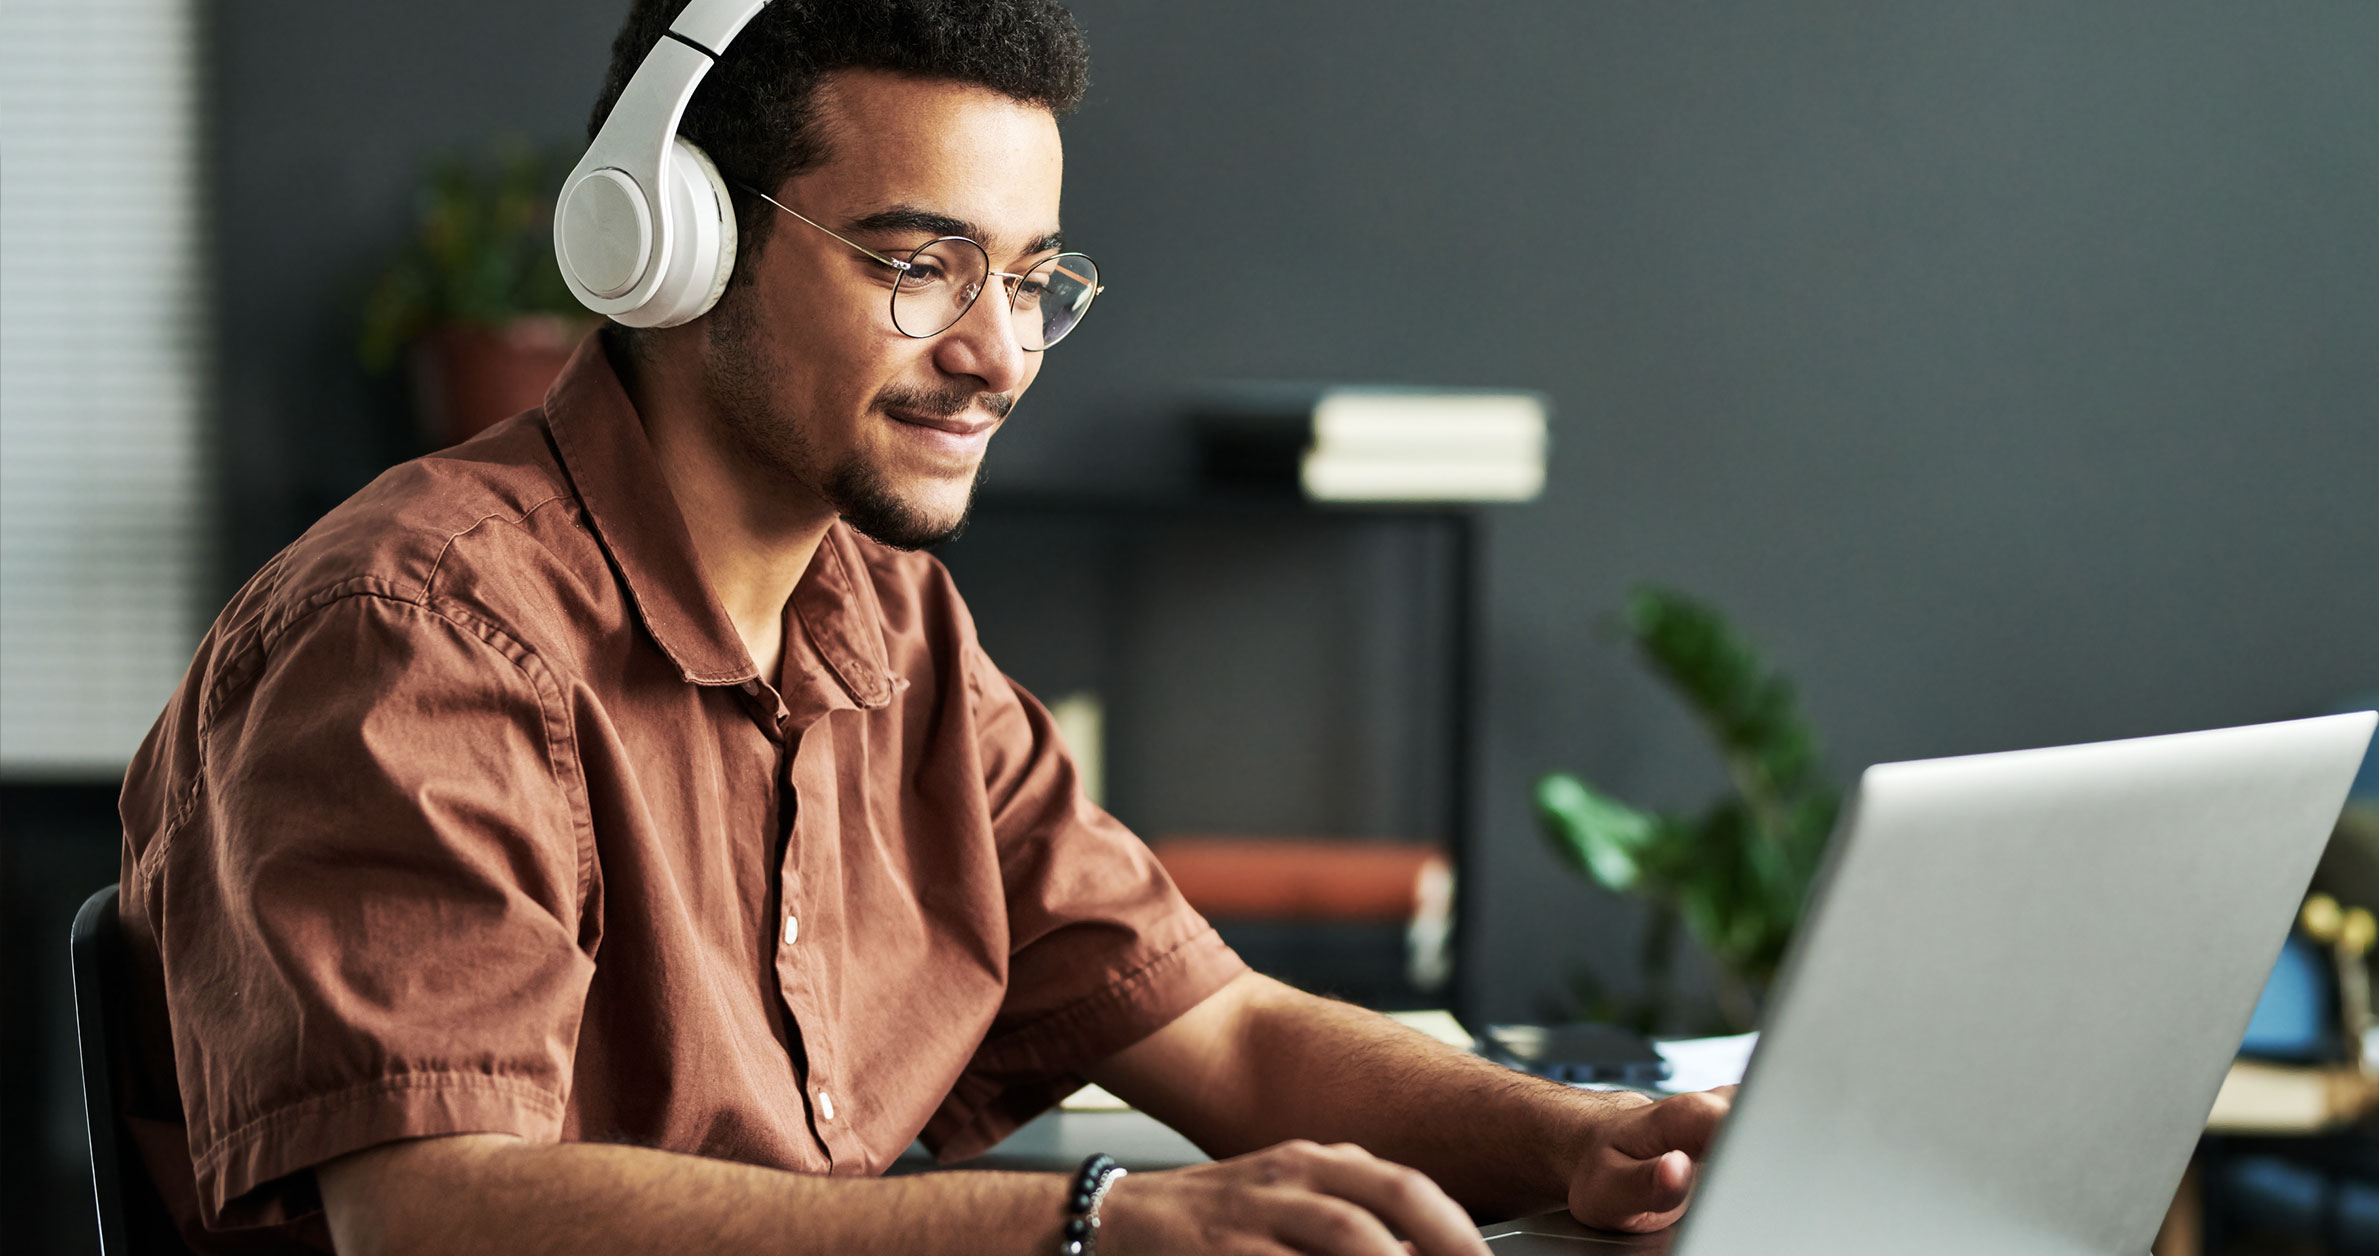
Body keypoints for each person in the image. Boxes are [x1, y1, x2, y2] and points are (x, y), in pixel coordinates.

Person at [116, 2, 1731, 1252]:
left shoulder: (893, 625)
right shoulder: (415, 634)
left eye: (1032, 280)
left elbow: (1220, 1032)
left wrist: (1577, 1138)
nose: (1001, 355)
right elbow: (436, 1218)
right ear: (671, 244)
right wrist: (1090, 1223)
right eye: (919, 263)